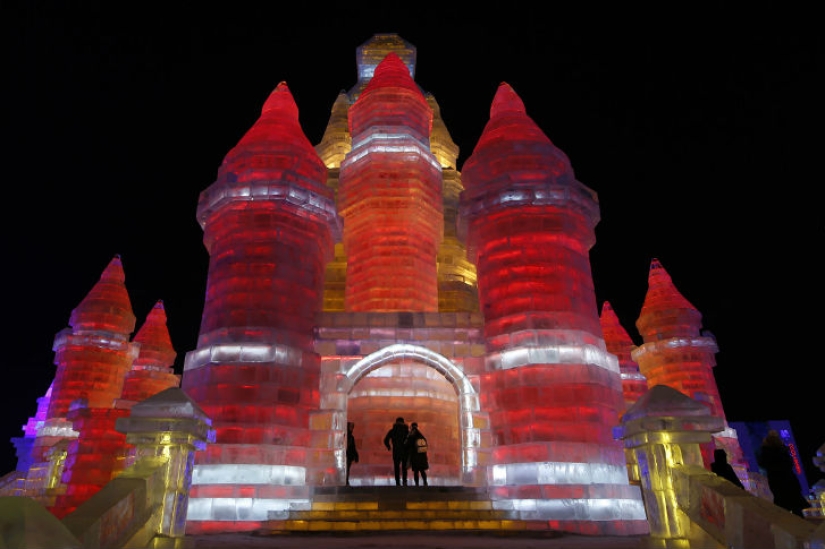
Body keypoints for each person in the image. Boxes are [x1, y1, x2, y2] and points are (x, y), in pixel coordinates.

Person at [757, 429, 810, 517]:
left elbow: (762, 463)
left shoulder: (765, 452)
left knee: (781, 503)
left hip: (776, 479)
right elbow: (790, 464)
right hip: (788, 479)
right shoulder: (783, 450)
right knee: (795, 504)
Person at [383, 417, 409, 486]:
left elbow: (385, 440)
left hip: (396, 451)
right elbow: (410, 441)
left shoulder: (392, 430)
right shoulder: (406, 430)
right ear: (403, 422)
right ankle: (404, 481)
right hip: (404, 451)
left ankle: (397, 482)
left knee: (396, 467)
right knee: (404, 467)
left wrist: (389, 447)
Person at [404, 422, 429, 487]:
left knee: (416, 471)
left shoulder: (411, 435)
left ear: (411, 427)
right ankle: (425, 482)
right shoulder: (421, 435)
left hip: (414, 456)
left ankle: (417, 484)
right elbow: (426, 445)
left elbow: (406, 445)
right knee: (422, 470)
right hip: (422, 456)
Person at [345, 421, 358, 487]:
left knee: (347, 469)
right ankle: (345, 481)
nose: (352, 429)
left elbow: (353, 447)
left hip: (349, 456)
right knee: (346, 469)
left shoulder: (351, 437)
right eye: (351, 427)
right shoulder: (347, 436)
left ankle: (346, 481)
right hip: (346, 456)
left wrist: (356, 455)